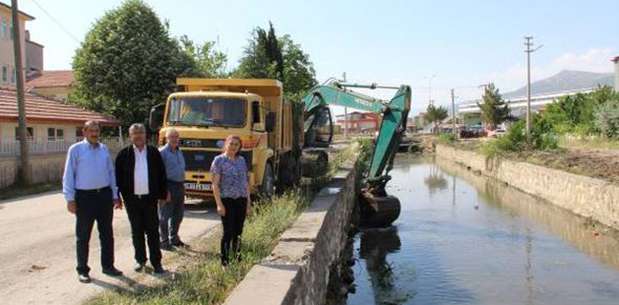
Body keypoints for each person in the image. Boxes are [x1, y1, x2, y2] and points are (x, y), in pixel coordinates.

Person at [62, 120, 123, 283]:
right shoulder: (76, 150)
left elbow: (111, 173)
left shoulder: (103, 149)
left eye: (97, 130)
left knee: (107, 234)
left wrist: (115, 195)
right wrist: (70, 199)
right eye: (92, 130)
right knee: (83, 236)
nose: (95, 133)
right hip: (84, 198)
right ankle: (83, 270)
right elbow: (68, 175)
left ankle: (108, 266)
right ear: (84, 132)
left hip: (103, 196)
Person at [115, 123, 167, 274]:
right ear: (130, 136)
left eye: (141, 132)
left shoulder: (153, 153)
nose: (138, 136)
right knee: (136, 231)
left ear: (146, 135)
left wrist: (163, 194)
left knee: (152, 231)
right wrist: (117, 196)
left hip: (150, 200)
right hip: (132, 200)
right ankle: (141, 260)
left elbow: (162, 174)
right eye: (135, 133)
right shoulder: (123, 155)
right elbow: (117, 178)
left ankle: (157, 262)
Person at [211, 135, 251, 266]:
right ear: (226, 144)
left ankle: (237, 258)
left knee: (238, 231)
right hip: (227, 200)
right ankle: (225, 262)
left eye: (236, 145)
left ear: (239, 147)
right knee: (228, 231)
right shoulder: (219, 161)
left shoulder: (242, 161)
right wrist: (219, 204)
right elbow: (215, 184)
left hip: (241, 200)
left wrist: (248, 204)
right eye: (231, 144)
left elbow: (245, 183)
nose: (233, 147)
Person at [158, 128, 187, 250]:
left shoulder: (179, 151)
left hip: (179, 186)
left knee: (178, 215)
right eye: (172, 137)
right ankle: (164, 241)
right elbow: (158, 173)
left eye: (176, 137)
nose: (175, 139)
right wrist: (164, 190)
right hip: (168, 186)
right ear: (167, 138)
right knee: (165, 216)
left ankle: (174, 238)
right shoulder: (162, 152)